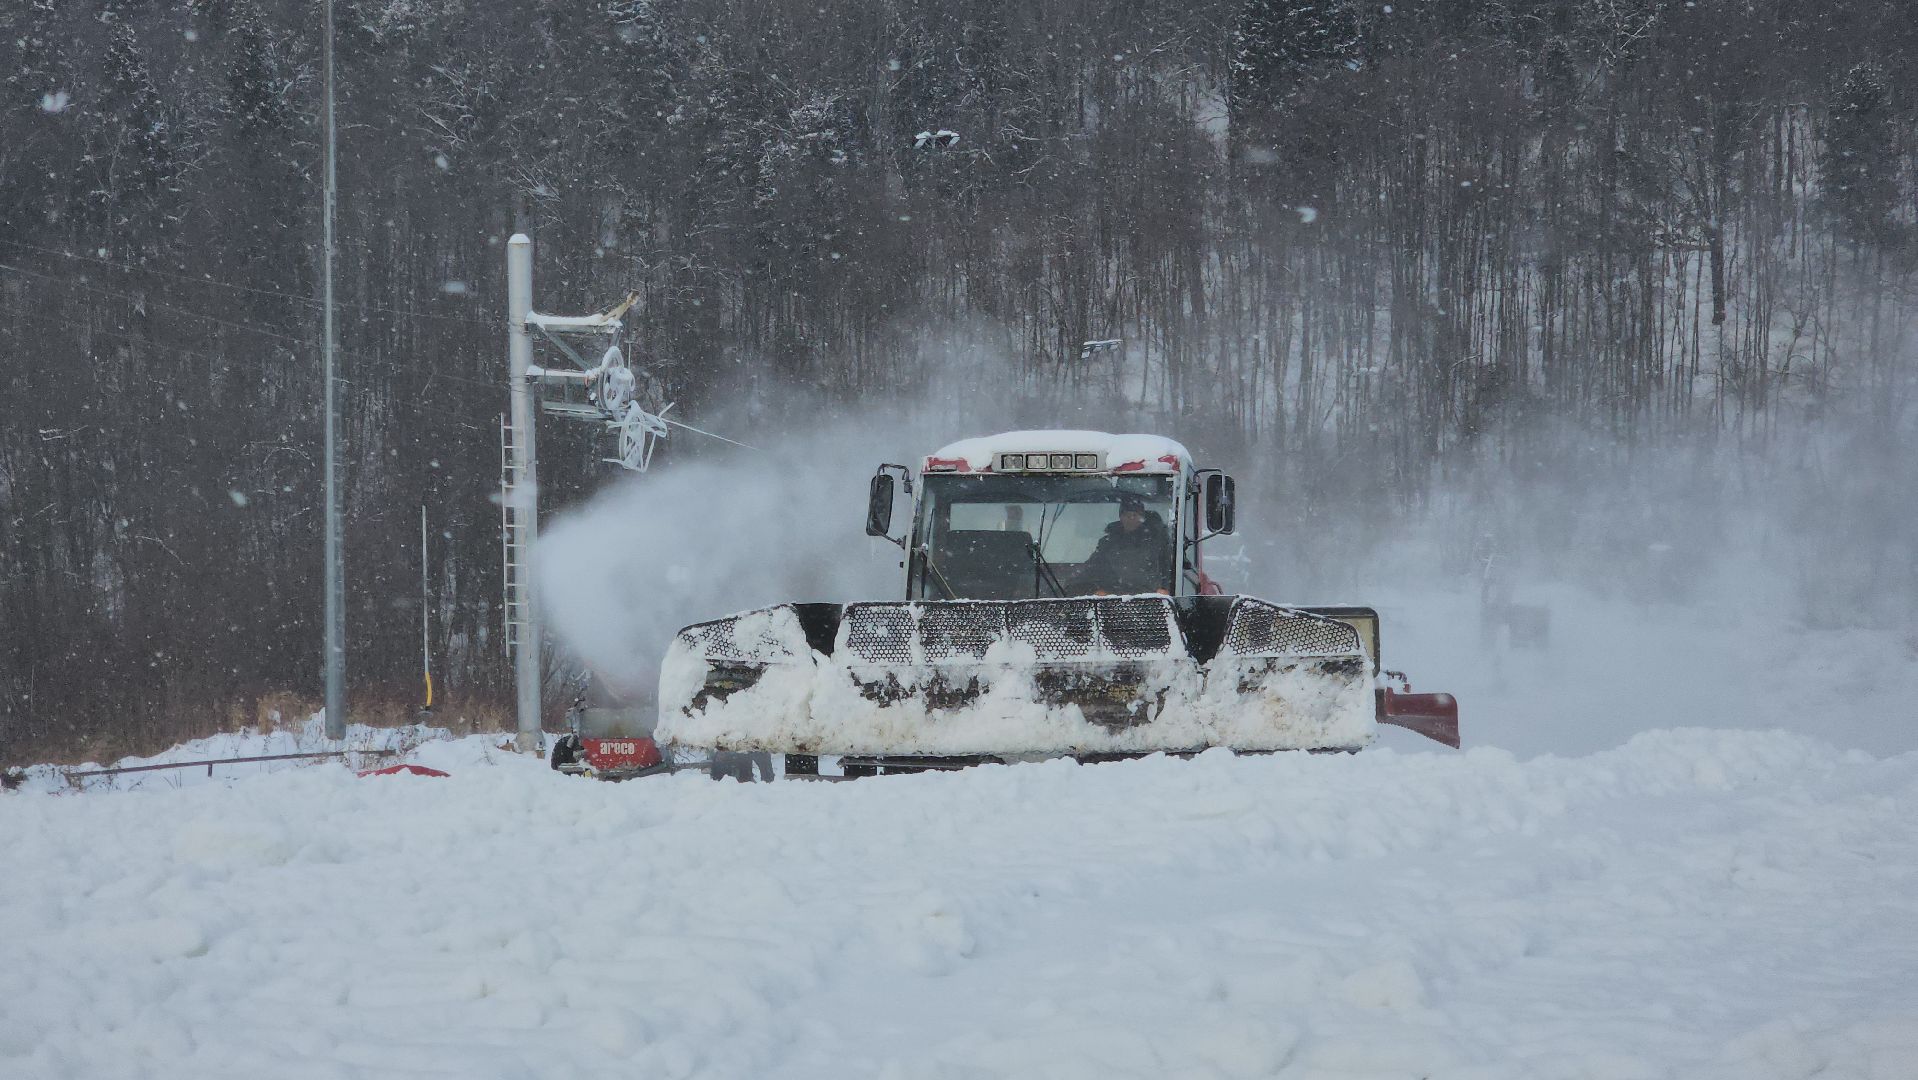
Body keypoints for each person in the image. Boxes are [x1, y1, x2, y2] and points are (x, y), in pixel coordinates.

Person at [1082, 493, 1171, 594]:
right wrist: (1095, 589)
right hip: (1112, 599)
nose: (1131, 518)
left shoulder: (1157, 543)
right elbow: (1093, 569)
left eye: (1135, 515)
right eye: (1127, 515)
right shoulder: (1107, 544)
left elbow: (1168, 568)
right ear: (1121, 517)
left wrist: (1164, 589)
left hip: (1150, 598)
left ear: (1142, 518)